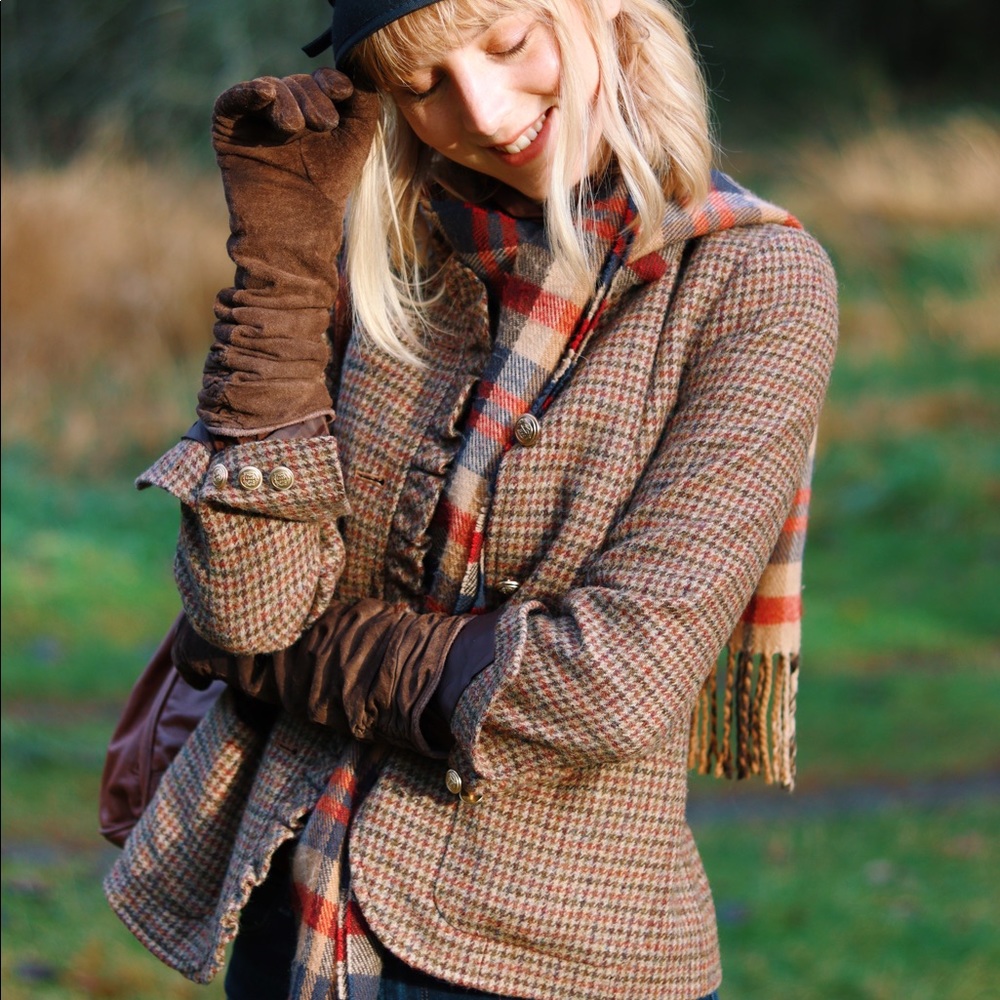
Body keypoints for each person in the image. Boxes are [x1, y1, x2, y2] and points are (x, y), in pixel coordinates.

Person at [104, 1, 838, 998]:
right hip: (296, 927)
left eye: (506, 45)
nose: (483, 113)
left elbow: (613, 683)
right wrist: (278, 260)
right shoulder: (368, 263)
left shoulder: (751, 282)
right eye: (420, 84)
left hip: (558, 957)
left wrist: (283, 662)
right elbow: (247, 609)